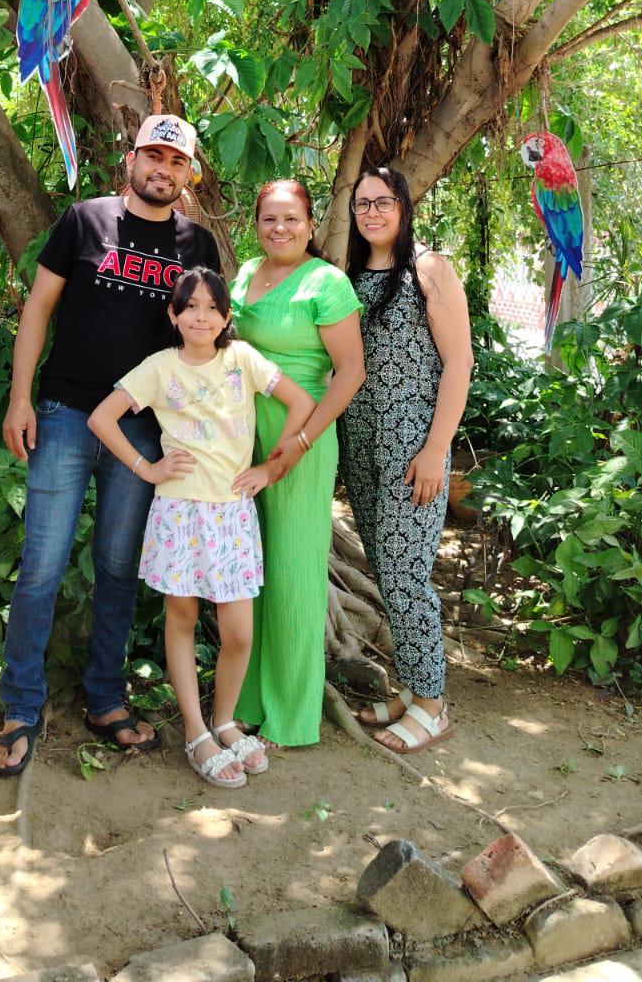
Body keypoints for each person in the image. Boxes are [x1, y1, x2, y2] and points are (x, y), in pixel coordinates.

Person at [0, 114, 220, 778]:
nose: (162, 168)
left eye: (175, 161)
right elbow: (37, 310)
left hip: (141, 428)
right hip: (64, 412)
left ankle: (104, 698)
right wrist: (20, 397)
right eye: (153, 154)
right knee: (42, 564)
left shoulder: (195, 242)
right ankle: (21, 708)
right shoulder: (84, 221)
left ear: (188, 173)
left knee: (118, 566)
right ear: (131, 159)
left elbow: (201, 337)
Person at [88, 269, 314, 787]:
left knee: (238, 633)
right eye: (190, 306)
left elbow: (302, 404)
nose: (201, 316)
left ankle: (225, 720)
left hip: (232, 514)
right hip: (180, 514)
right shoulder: (159, 367)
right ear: (173, 314)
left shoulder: (242, 360)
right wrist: (147, 469)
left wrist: (271, 467)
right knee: (183, 619)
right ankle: (196, 731)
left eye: (213, 307)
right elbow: (102, 418)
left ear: (227, 316)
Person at [339, 165, 473, 756]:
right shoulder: (350, 277)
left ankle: (434, 708)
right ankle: (414, 691)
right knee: (389, 572)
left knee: (407, 574)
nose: (371, 213)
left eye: (382, 202)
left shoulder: (428, 268)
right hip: (360, 446)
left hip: (412, 447)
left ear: (403, 205)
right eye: (362, 204)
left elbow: (459, 363)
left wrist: (436, 450)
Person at [227, 179, 366, 748]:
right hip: (240, 438)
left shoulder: (326, 282)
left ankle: (290, 715)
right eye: (268, 219)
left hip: (299, 436)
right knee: (249, 571)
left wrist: (301, 442)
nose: (279, 229)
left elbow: (350, 372)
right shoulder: (243, 274)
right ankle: (247, 702)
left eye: (290, 219)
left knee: (291, 574)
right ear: (255, 223)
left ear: (311, 224)